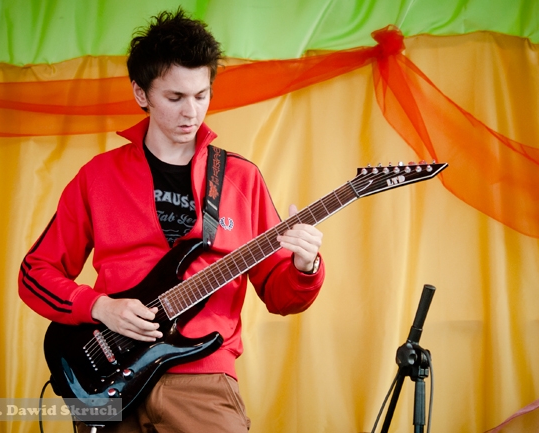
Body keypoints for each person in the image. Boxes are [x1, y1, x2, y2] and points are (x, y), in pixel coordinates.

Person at [18, 8, 325, 433]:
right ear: (141, 94)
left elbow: (280, 296)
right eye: (175, 98)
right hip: (107, 373)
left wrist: (305, 267)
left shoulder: (240, 178)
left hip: (202, 378)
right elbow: (35, 273)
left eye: (201, 95)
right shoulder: (97, 176)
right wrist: (100, 307)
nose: (191, 112)